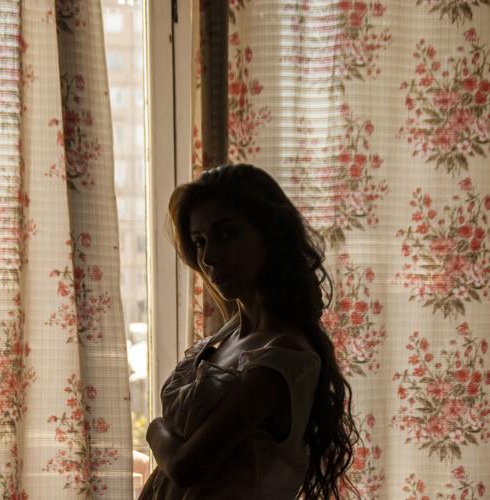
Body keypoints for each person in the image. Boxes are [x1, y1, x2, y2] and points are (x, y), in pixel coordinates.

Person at [140, 164, 358, 500]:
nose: (209, 257)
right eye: (200, 242)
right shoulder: (228, 338)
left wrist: (155, 429)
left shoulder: (282, 356)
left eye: (227, 234)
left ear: (270, 234)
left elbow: (187, 467)